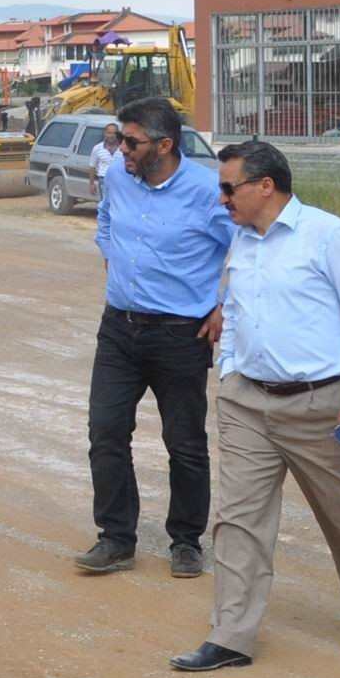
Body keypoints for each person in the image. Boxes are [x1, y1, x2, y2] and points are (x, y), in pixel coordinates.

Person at [171, 141, 340, 672]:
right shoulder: (242, 240)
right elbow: (230, 307)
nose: (222, 199)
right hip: (247, 402)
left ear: (265, 186)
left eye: (230, 188)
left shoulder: (327, 236)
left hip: (321, 405)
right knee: (238, 521)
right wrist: (229, 370)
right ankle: (231, 634)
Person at [75, 97, 234, 580]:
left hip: (180, 336)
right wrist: (110, 252)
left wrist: (228, 305)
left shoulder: (208, 192)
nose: (119, 147)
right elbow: (105, 217)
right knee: (105, 434)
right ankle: (116, 538)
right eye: (120, 138)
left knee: (184, 442)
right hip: (119, 329)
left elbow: (250, 247)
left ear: (164, 145)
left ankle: (185, 541)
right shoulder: (120, 176)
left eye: (130, 141)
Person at [90, 123, 123, 195]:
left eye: (114, 133)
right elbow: (92, 166)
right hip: (104, 181)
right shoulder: (97, 148)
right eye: (109, 133)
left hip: (120, 181)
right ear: (105, 133)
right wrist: (92, 184)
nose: (111, 136)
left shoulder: (123, 148)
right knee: (105, 204)